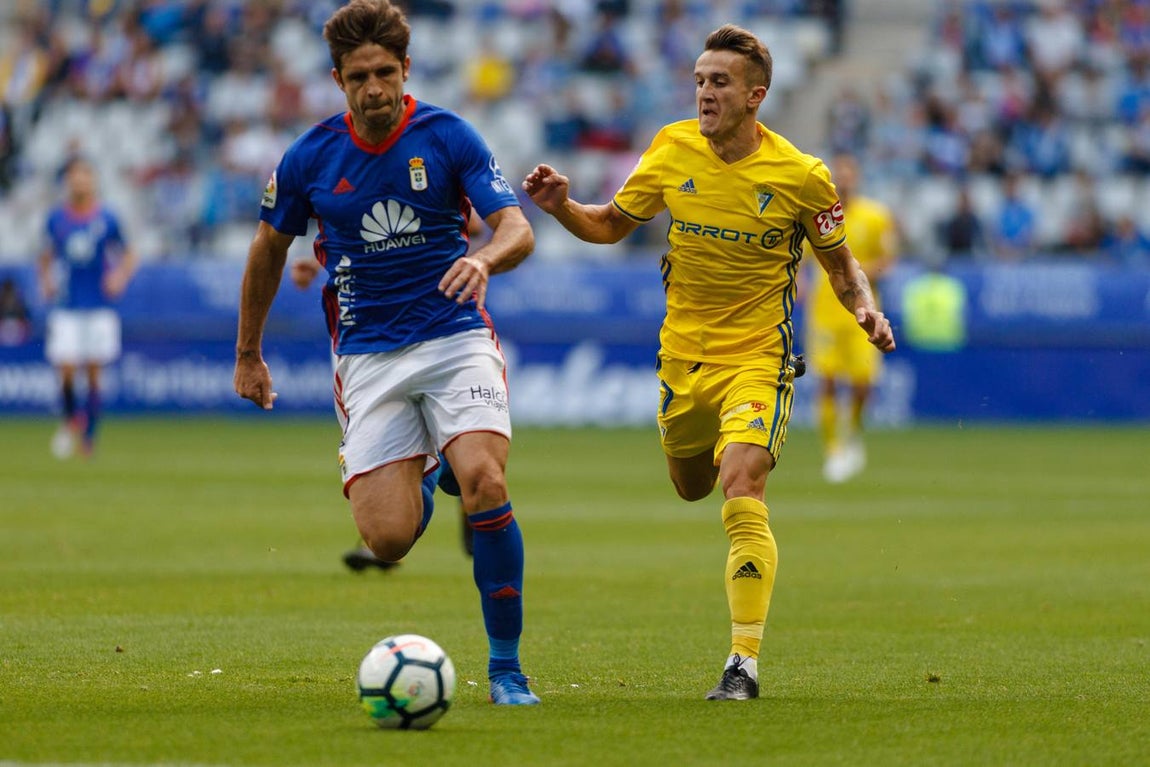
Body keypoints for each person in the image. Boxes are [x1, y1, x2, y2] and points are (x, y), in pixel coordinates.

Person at [522, 24, 895, 701]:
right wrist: (561, 208)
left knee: (741, 482)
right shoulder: (671, 149)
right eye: (698, 80)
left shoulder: (801, 176)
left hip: (759, 353)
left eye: (718, 82)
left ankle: (742, 664)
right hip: (683, 357)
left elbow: (843, 267)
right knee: (690, 483)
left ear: (756, 95)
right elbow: (610, 224)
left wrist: (864, 308)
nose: (703, 93)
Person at [233, 0, 539, 705]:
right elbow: (267, 250)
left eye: (385, 73)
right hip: (369, 356)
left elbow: (516, 228)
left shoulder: (448, 135)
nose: (375, 88)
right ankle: (432, 467)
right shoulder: (310, 156)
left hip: (455, 337)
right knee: (388, 540)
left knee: (488, 481)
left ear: (406, 69)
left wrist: (487, 260)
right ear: (337, 81)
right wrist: (248, 352)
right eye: (358, 76)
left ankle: (506, 669)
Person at [287, 209, 485, 572]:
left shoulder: (420, 157)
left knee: (410, 432)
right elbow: (318, 222)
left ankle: (455, 475)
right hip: (359, 333)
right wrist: (310, 261)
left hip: (430, 320)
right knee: (380, 438)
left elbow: (472, 222)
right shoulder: (326, 162)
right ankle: (448, 471)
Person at [803, 153, 898, 484]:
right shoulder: (817, 216)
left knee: (862, 384)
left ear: (856, 178)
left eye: (848, 175)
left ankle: (852, 433)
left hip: (863, 312)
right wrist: (800, 283)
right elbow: (800, 258)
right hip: (825, 314)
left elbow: (887, 260)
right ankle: (833, 450)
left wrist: (853, 273)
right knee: (826, 380)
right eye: (837, 176)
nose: (842, 181)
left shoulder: (875, 217)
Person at [37, 156, 138, 459]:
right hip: (67, 304)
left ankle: (89, 436)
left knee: (94, 371)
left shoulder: (107, 217)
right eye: (74, 176)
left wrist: (119, 276)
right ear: (68, 181)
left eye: (84, 176)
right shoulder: (56, 219)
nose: (79, 181)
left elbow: (129, 252)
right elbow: (44, 254)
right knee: (66, 367)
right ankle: (70, 420)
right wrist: (45, 281)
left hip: (98, 305)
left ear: (93, 180)